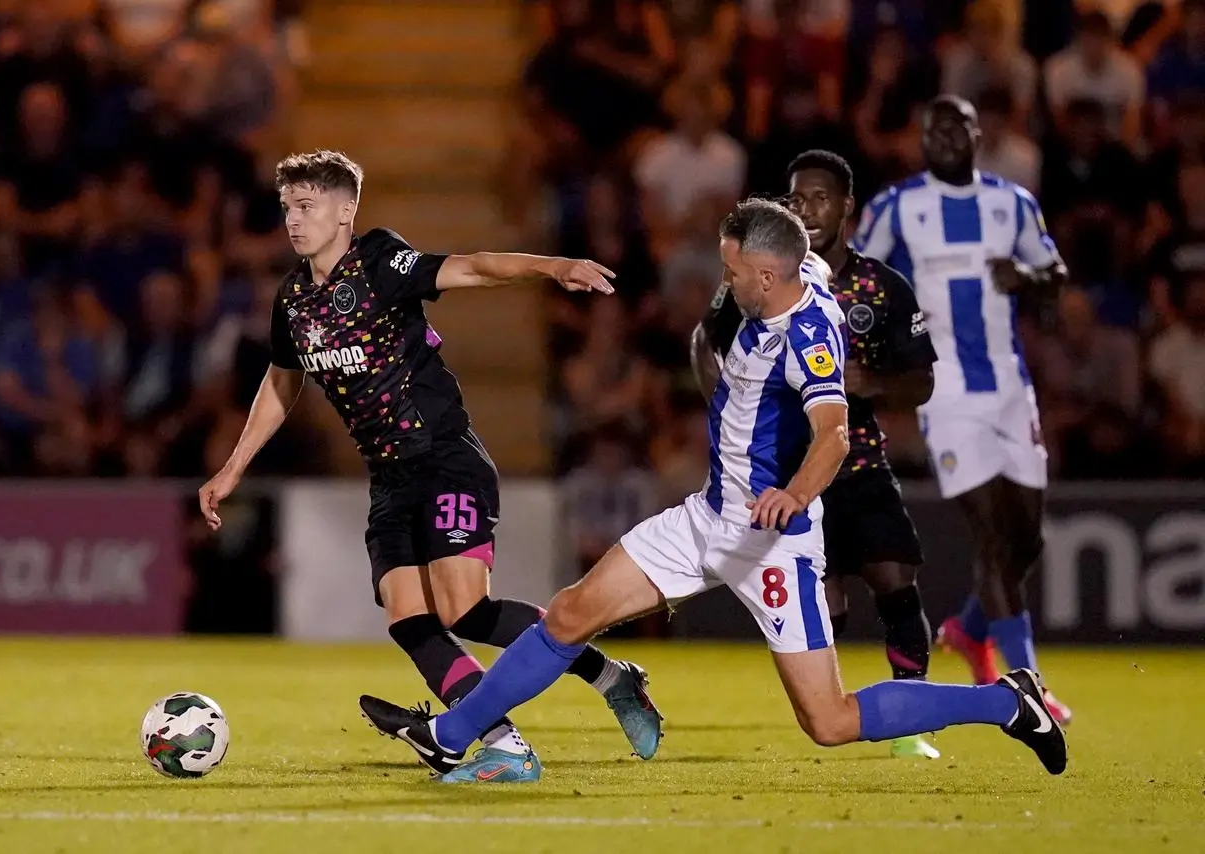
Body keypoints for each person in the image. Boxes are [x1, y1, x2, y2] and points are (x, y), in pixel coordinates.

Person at [359, 198, 1068, 782]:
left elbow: (835, 434)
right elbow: (801, 255)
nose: (725, 283)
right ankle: (452, 735)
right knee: (572, 611)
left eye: (734, 271)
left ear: (766, 275)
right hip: (707, 519)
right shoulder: (790, 285)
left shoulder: (809, 336)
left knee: (830, 721)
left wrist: (794, 493)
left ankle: (1005, 705)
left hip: (772, 545)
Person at [197, 150, 663, 783]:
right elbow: (282, 385)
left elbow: (468, 266)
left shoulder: (381, 262)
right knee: (408, 619)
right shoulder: (293, 303)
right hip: (388, 478)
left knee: (465, 609)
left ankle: (611, 676)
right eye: (287, 207)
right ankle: (504, 744)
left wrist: (553, 266)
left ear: (345, 211)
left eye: (307, 206)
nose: (293, 220)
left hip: (444, 457)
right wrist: (232, 468)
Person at [691, 150, 941, 760]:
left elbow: (922, 381)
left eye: (821, 198)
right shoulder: (759, 276)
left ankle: (910, 715)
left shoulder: (881, 286)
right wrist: (730, 409)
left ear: (846, 206)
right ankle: (839, 703)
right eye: (797, 199)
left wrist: (871, 385)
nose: (808, 208)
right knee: (823, 600)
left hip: (855, 464)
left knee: (894, 578)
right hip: (785, 475)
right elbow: (705, 340)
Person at [852, 96, 1073, 725]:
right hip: (942, 393)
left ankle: (972, 632)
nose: (945, 136)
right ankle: (1028, 681)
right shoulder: (898, 205)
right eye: (932, 128)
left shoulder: (1013, 203)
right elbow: (856, 275)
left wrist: (1028, 281)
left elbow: (1054, 267)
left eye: (957, 126)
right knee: (992, 537)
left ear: (979, 135)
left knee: (1027, 538)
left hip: (1009, 386)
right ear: (920, 139)